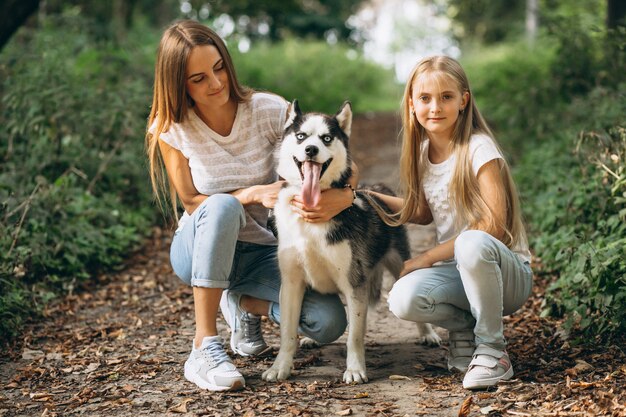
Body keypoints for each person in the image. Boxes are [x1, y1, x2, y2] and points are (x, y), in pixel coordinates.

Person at [145, 20, 356, 392]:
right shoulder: (171, 127)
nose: (215, 83)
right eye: (198, 79)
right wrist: (253, 193)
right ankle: (204, 346)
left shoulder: (268, 110)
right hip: (198, 247)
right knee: (226, 207)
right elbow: (193, 201)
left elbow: (338, 157)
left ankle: (242, 303)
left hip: (262, 251)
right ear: (178, 85)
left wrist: (346, 194)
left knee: (327, 323)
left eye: (219, 67)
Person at [367, 56, 532, 390]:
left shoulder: (478, 148)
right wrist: (363, 196)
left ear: (463, 101)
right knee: (402, 298)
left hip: (506, 274)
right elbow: (423, 211)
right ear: (412, 104)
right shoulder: (423, 152)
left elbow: (494, 226)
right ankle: (464, 330)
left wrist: (427, 258)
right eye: (425, 98)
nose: (435, 107)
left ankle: (492, 350)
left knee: (471, 242)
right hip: (460, 272)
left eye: (446, 97)